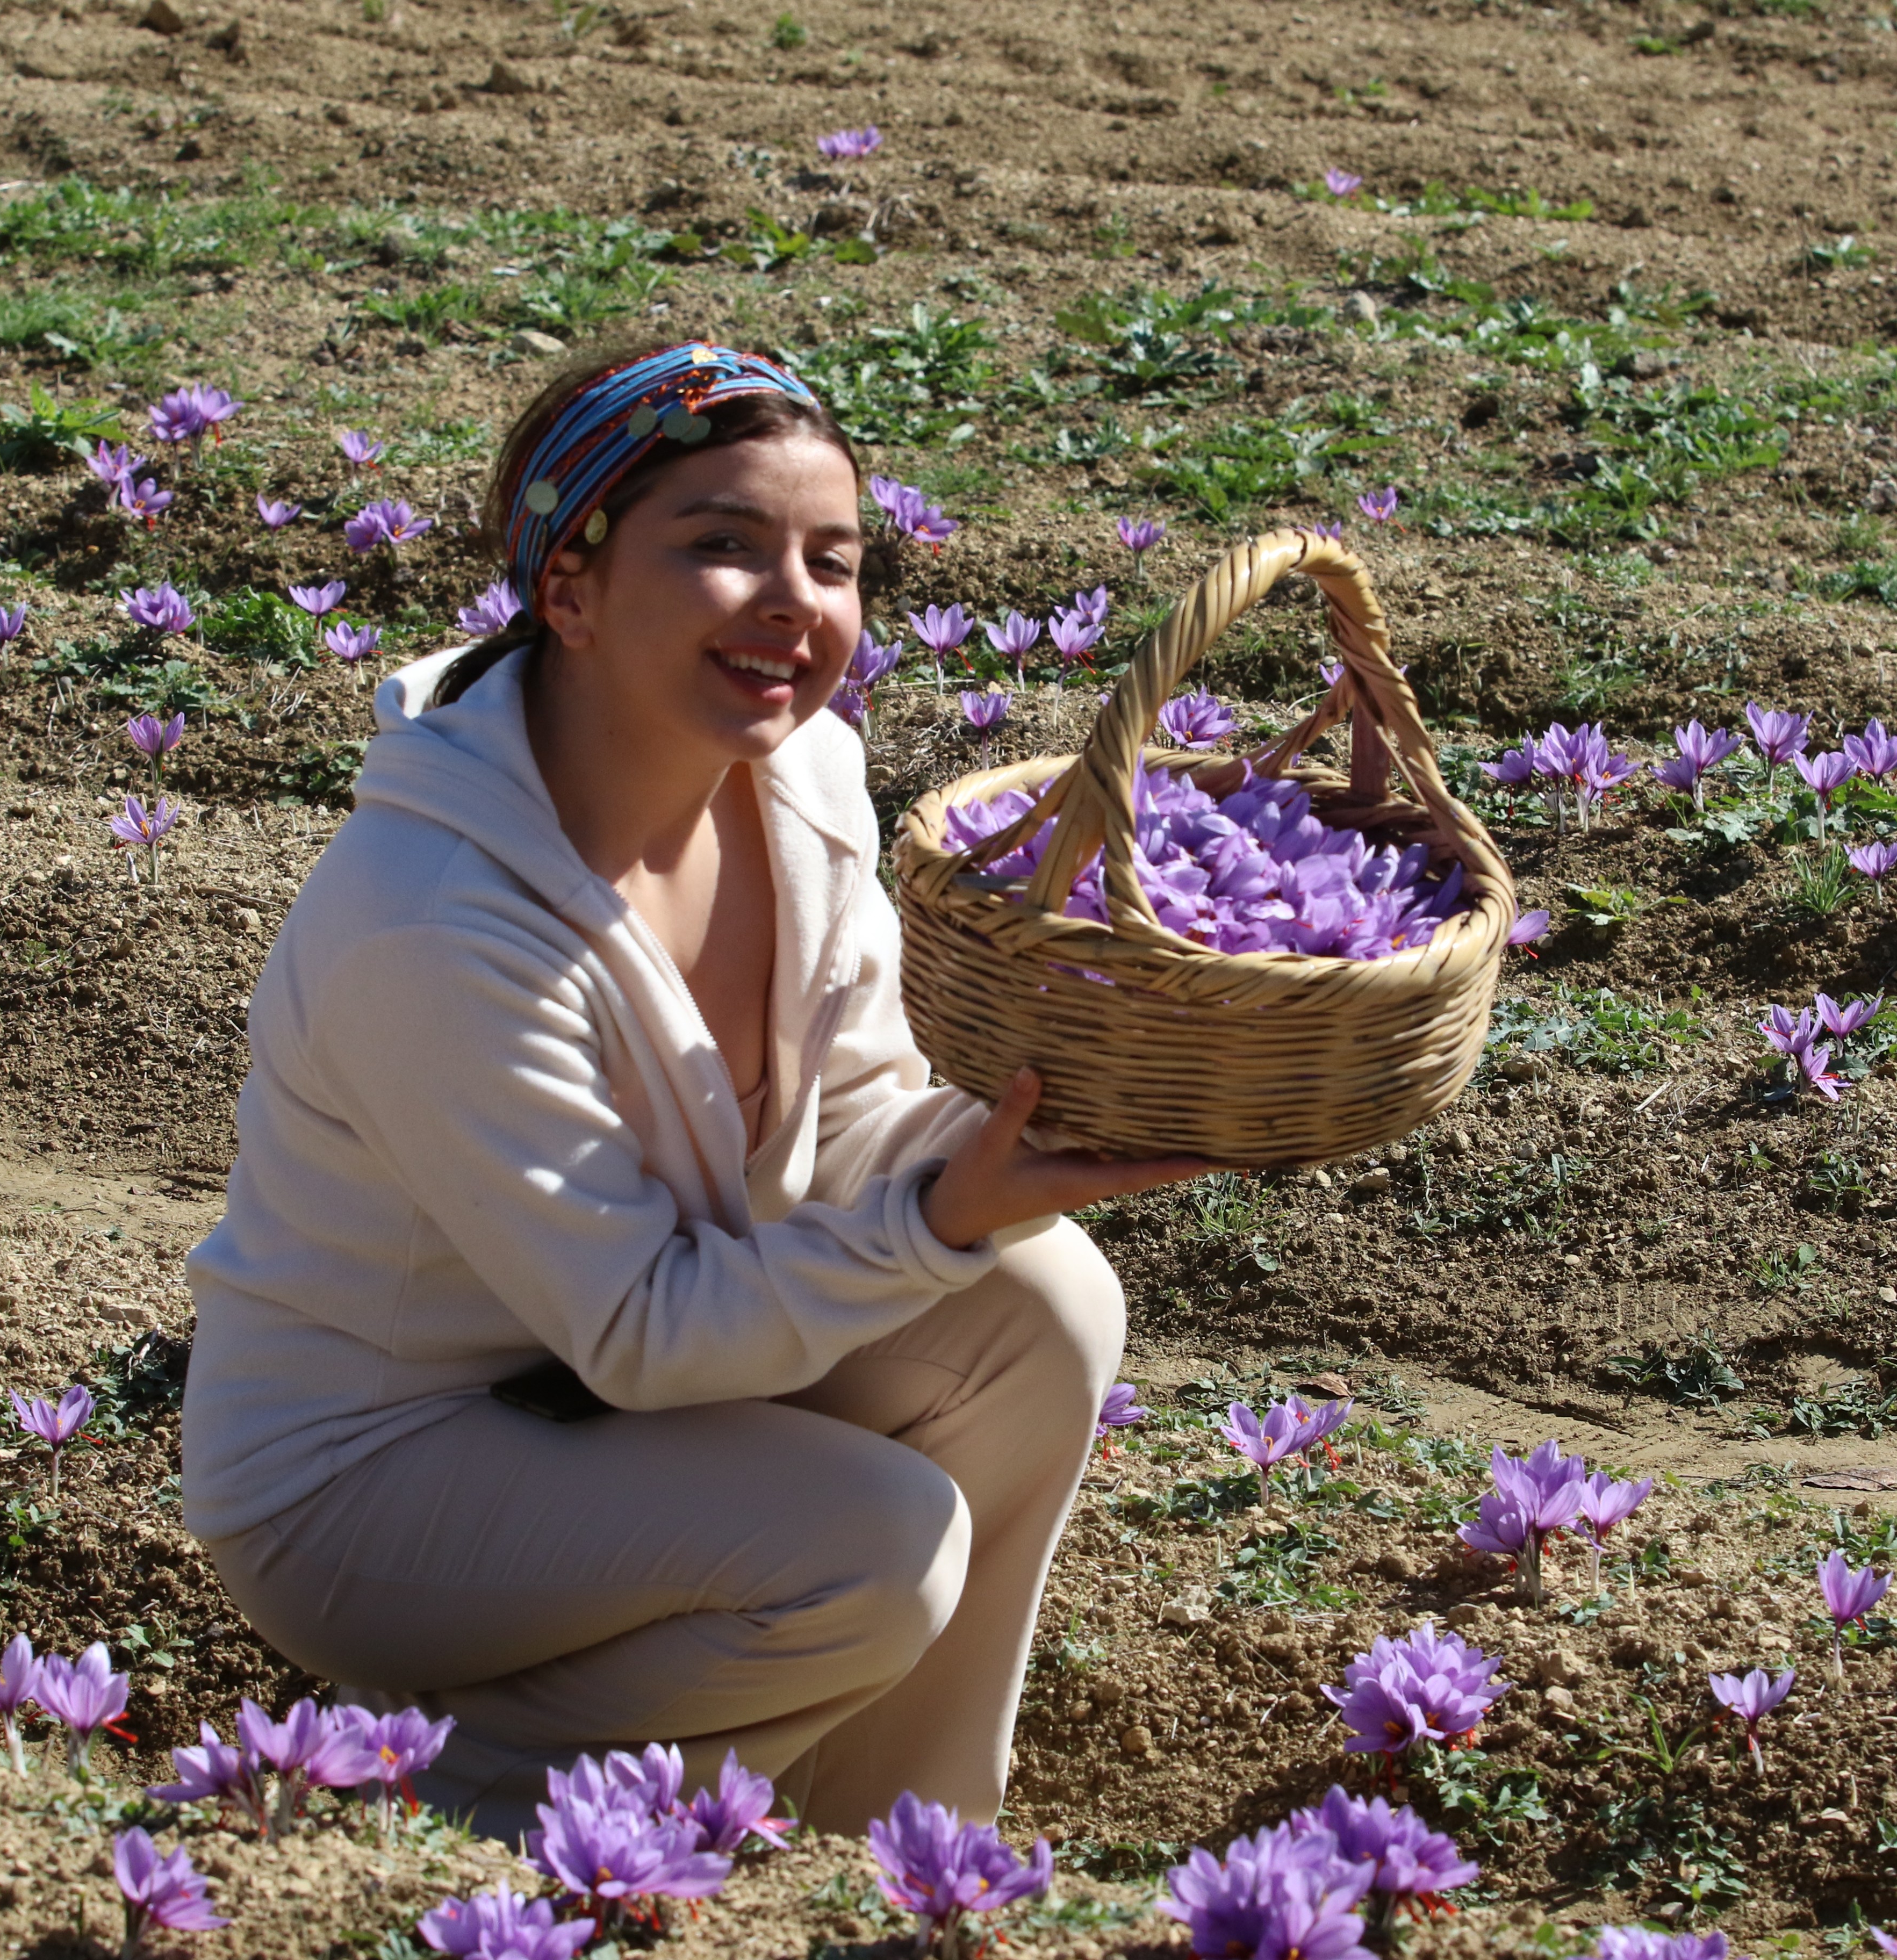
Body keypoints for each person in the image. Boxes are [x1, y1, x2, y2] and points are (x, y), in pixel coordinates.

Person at [182, 340, 1205, 1836]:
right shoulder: (434, 919)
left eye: (833, 560)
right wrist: (933, 1221)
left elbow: (853, 1117)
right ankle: (431, 1813)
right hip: (378, 1473)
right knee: (871, 1547)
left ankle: (907, 1847)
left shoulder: (804, 782)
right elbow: (645, 1332)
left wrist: (1013, 1132)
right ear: (571, 590)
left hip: (610, 1390)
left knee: (1048, 1310)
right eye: (723, 547)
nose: (795, 600)